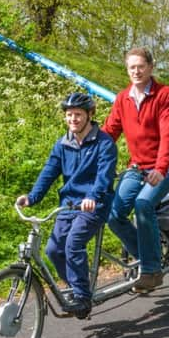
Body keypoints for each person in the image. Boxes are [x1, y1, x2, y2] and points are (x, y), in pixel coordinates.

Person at [17, 93, 117, 319]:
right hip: (69, 205)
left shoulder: (104, 143)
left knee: (73, 244)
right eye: (69, 115)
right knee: (53, 250)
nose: (73, 119)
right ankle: (75, 287)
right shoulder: (63, 144)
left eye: (78, 115)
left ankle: (82, 298)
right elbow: (49, 172)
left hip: (95, 205)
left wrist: (93, 196)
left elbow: (104, 176)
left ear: (90, 115)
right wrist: (32, 197)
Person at [102, 47, 169, 293]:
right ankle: (148, 257)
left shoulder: (164, 95)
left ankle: (151, 271)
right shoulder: (123, 98)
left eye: (140, 66)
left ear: (150, 67)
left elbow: (168, 135)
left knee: (142, 204)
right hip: (137, 167)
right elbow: (110, 132)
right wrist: (85, 149)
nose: (136, 71)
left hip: (167, 166)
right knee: (114, 214)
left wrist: (161, 168)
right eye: (131, 67)